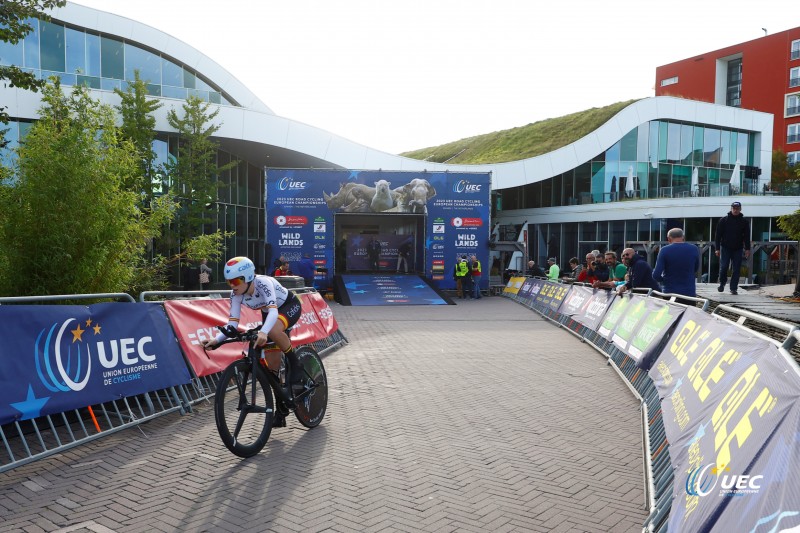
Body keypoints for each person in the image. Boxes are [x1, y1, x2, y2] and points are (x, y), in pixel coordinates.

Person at [201, 257, 303, 428]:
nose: (232, 285)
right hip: (269, 315)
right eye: (228, 281)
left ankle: (295, 363)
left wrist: (264, 331)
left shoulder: (263, 283)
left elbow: (273, 312)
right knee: (273, 369)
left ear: (248, 277)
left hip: (288, 305)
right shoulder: (236, 294)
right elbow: (232, 325)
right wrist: (216, 340)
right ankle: (281, 410)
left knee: (272, 330)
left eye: (235, 281)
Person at [714, 201, 751, 295]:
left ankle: (733, 288)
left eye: (737, 208)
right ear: (731, 209)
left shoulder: (744, 222)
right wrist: (717, 248)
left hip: (738, 248)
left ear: (740, 209)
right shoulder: (723, 220)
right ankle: (722, 283)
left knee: (736, 269)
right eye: (734, 208)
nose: (735, 210)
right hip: (725, 247)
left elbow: (747, 236)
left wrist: (747, 249)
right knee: (724, 267)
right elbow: (718, 236)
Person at [653, 228, 700, 297]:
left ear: (669, 239)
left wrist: (665, 281)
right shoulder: (694, 249)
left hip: (670, 292)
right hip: (689, 293)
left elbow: (656, 275)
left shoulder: (664, 250)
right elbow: (695, 269)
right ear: (683, 238)